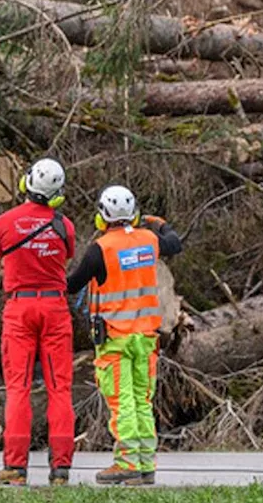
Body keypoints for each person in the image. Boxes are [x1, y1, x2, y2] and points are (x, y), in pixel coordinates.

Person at [66, 185, 182, 486]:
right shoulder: (149, 240)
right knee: (143, 401)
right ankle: (146, 463)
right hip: (146, 338)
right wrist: (161, 224)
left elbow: (73, 284)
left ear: (102, 216)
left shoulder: (100, 249)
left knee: (122, 402)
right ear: (135, 213)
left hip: (116, 340)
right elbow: (175, 243)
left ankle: (127, 463)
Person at [0, 157, 77, 487]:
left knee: (18, 387)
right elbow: (66, 259)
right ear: (57, 194)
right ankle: (61, 468)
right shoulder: (64, 225)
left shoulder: (5, 221)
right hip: (54, 309)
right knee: (59, 388)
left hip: (19, 309)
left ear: (27, 184)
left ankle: (15, 466)